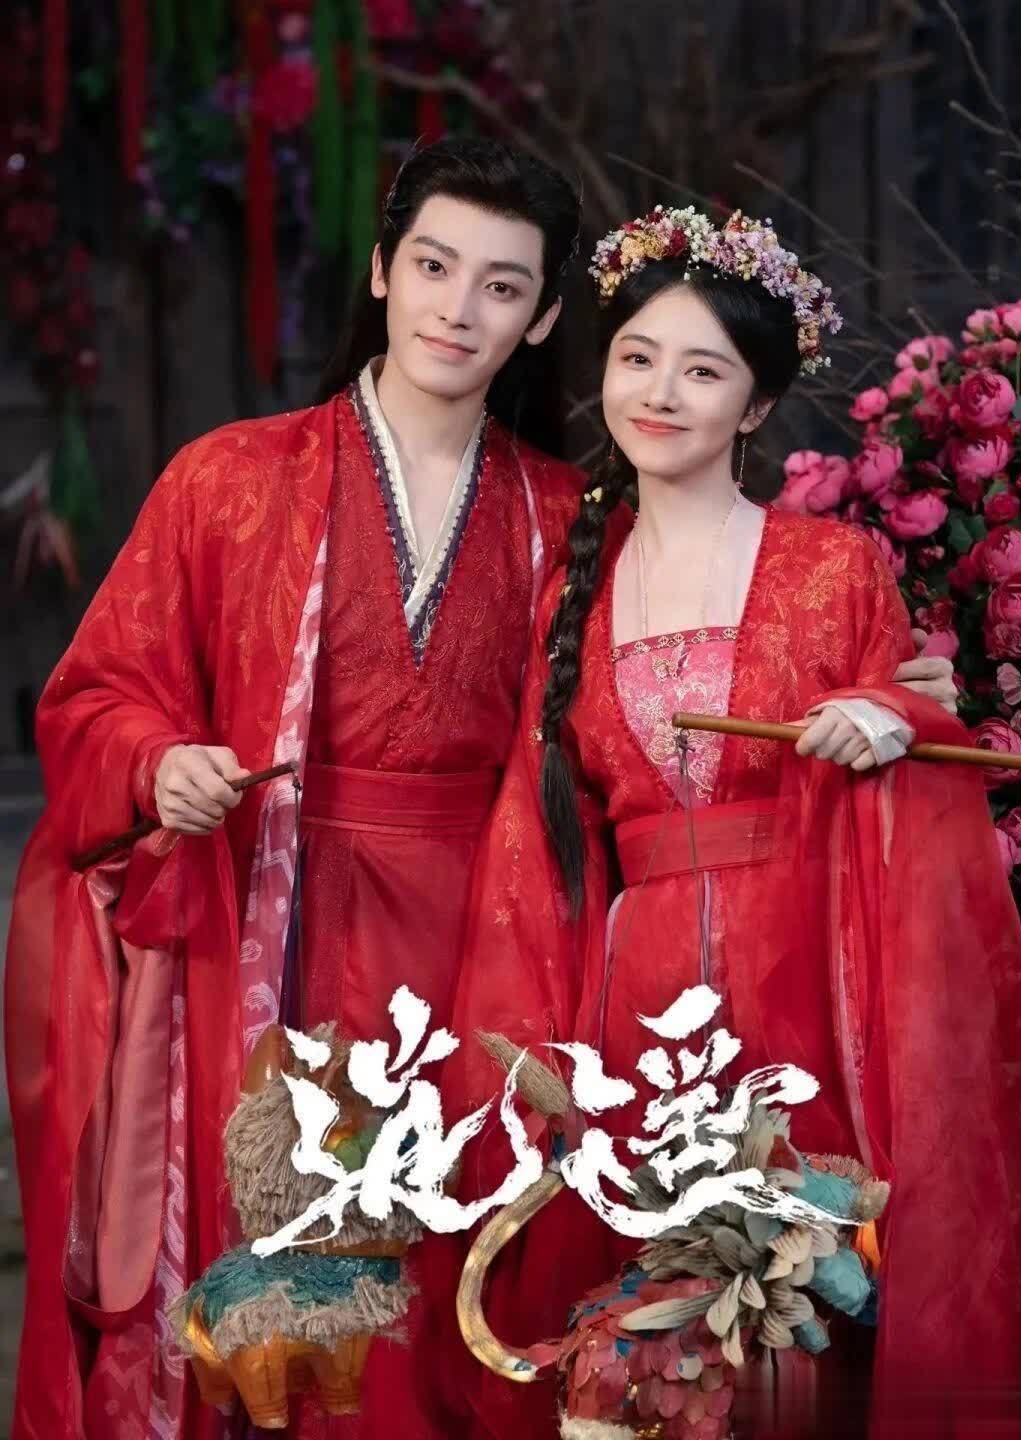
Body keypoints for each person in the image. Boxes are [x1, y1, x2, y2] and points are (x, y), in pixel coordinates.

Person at [4, 141, 954, 1440]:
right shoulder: (230, 481)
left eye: (502, 286)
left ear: (545, 317)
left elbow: (678, 699)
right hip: (275, 928)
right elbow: (95, 694)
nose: (459, 309)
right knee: (279, 1296)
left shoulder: (572, 517)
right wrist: (158, 761)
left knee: (456, 1300)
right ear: (382, 272)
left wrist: (886, 697)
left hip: (496, 956)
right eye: (434, 267)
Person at [447, 207, 1021, 1440]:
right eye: (637, 358)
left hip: (804, 985)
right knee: (650, 1339)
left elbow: (908, 730)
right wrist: (531, 1047)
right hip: (635, 1002)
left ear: (758, 406)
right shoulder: (575, 588)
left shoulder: (831, 566)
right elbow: (533, 839)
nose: (660, 393)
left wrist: (890, 721)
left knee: (804, 1325)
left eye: (703, 370)